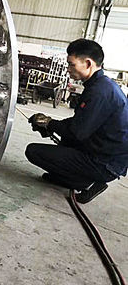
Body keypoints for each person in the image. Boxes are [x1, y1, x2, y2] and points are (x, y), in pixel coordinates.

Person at [25, 39, 128, 203]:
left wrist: (49, 123)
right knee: (65, 141)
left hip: (105, 163)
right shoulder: (102, 85)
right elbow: (80, 122)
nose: (68, 69)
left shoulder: (99, 92)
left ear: (88, 63)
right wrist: (51, 124)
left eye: (71, 64)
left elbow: (77, 132)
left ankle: (87, 183)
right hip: (105, 152)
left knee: (33, 151)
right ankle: (73, 177)